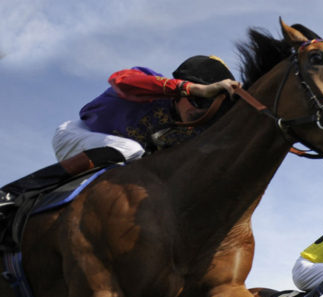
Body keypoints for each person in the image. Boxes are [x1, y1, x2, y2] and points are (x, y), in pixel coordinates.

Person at [0, 55, 240, 208]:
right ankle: (12, 193)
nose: (201, 115)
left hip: (113, 164)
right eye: (200, 101)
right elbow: (119, 80)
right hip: (75, 135)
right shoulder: (152, 86)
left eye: (213, 112)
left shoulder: (191, 133)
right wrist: (194, 89)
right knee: (132, 149)